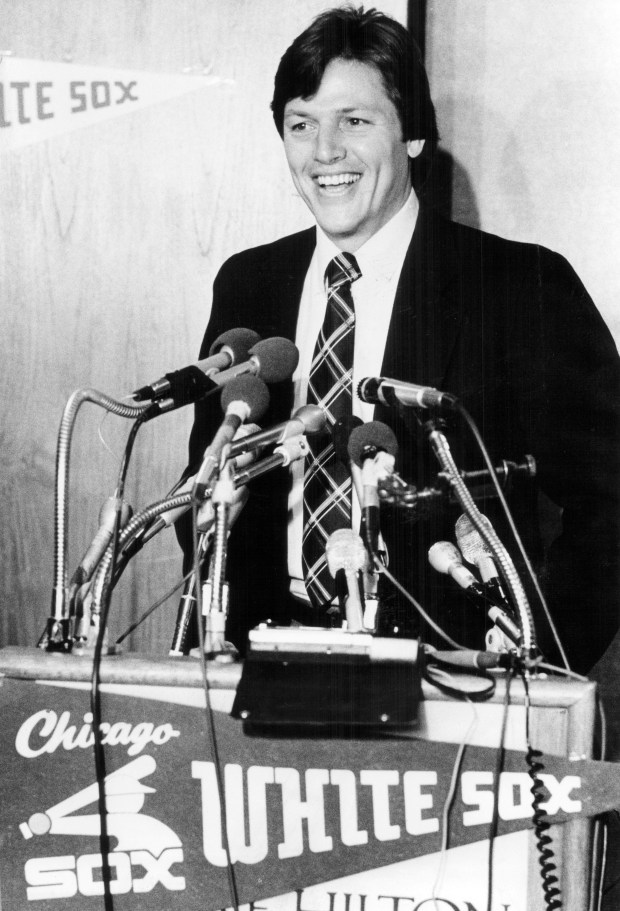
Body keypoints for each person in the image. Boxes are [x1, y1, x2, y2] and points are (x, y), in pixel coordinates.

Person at [176, 6, 620, 676]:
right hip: (260, 675)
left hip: (453, 683)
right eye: (302, 124)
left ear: (412, 135)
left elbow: (611, 503)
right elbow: (204, 489)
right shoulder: (248, 284)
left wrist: (538, 664)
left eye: (354, 121)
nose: (324, 150)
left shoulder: (521, 285)